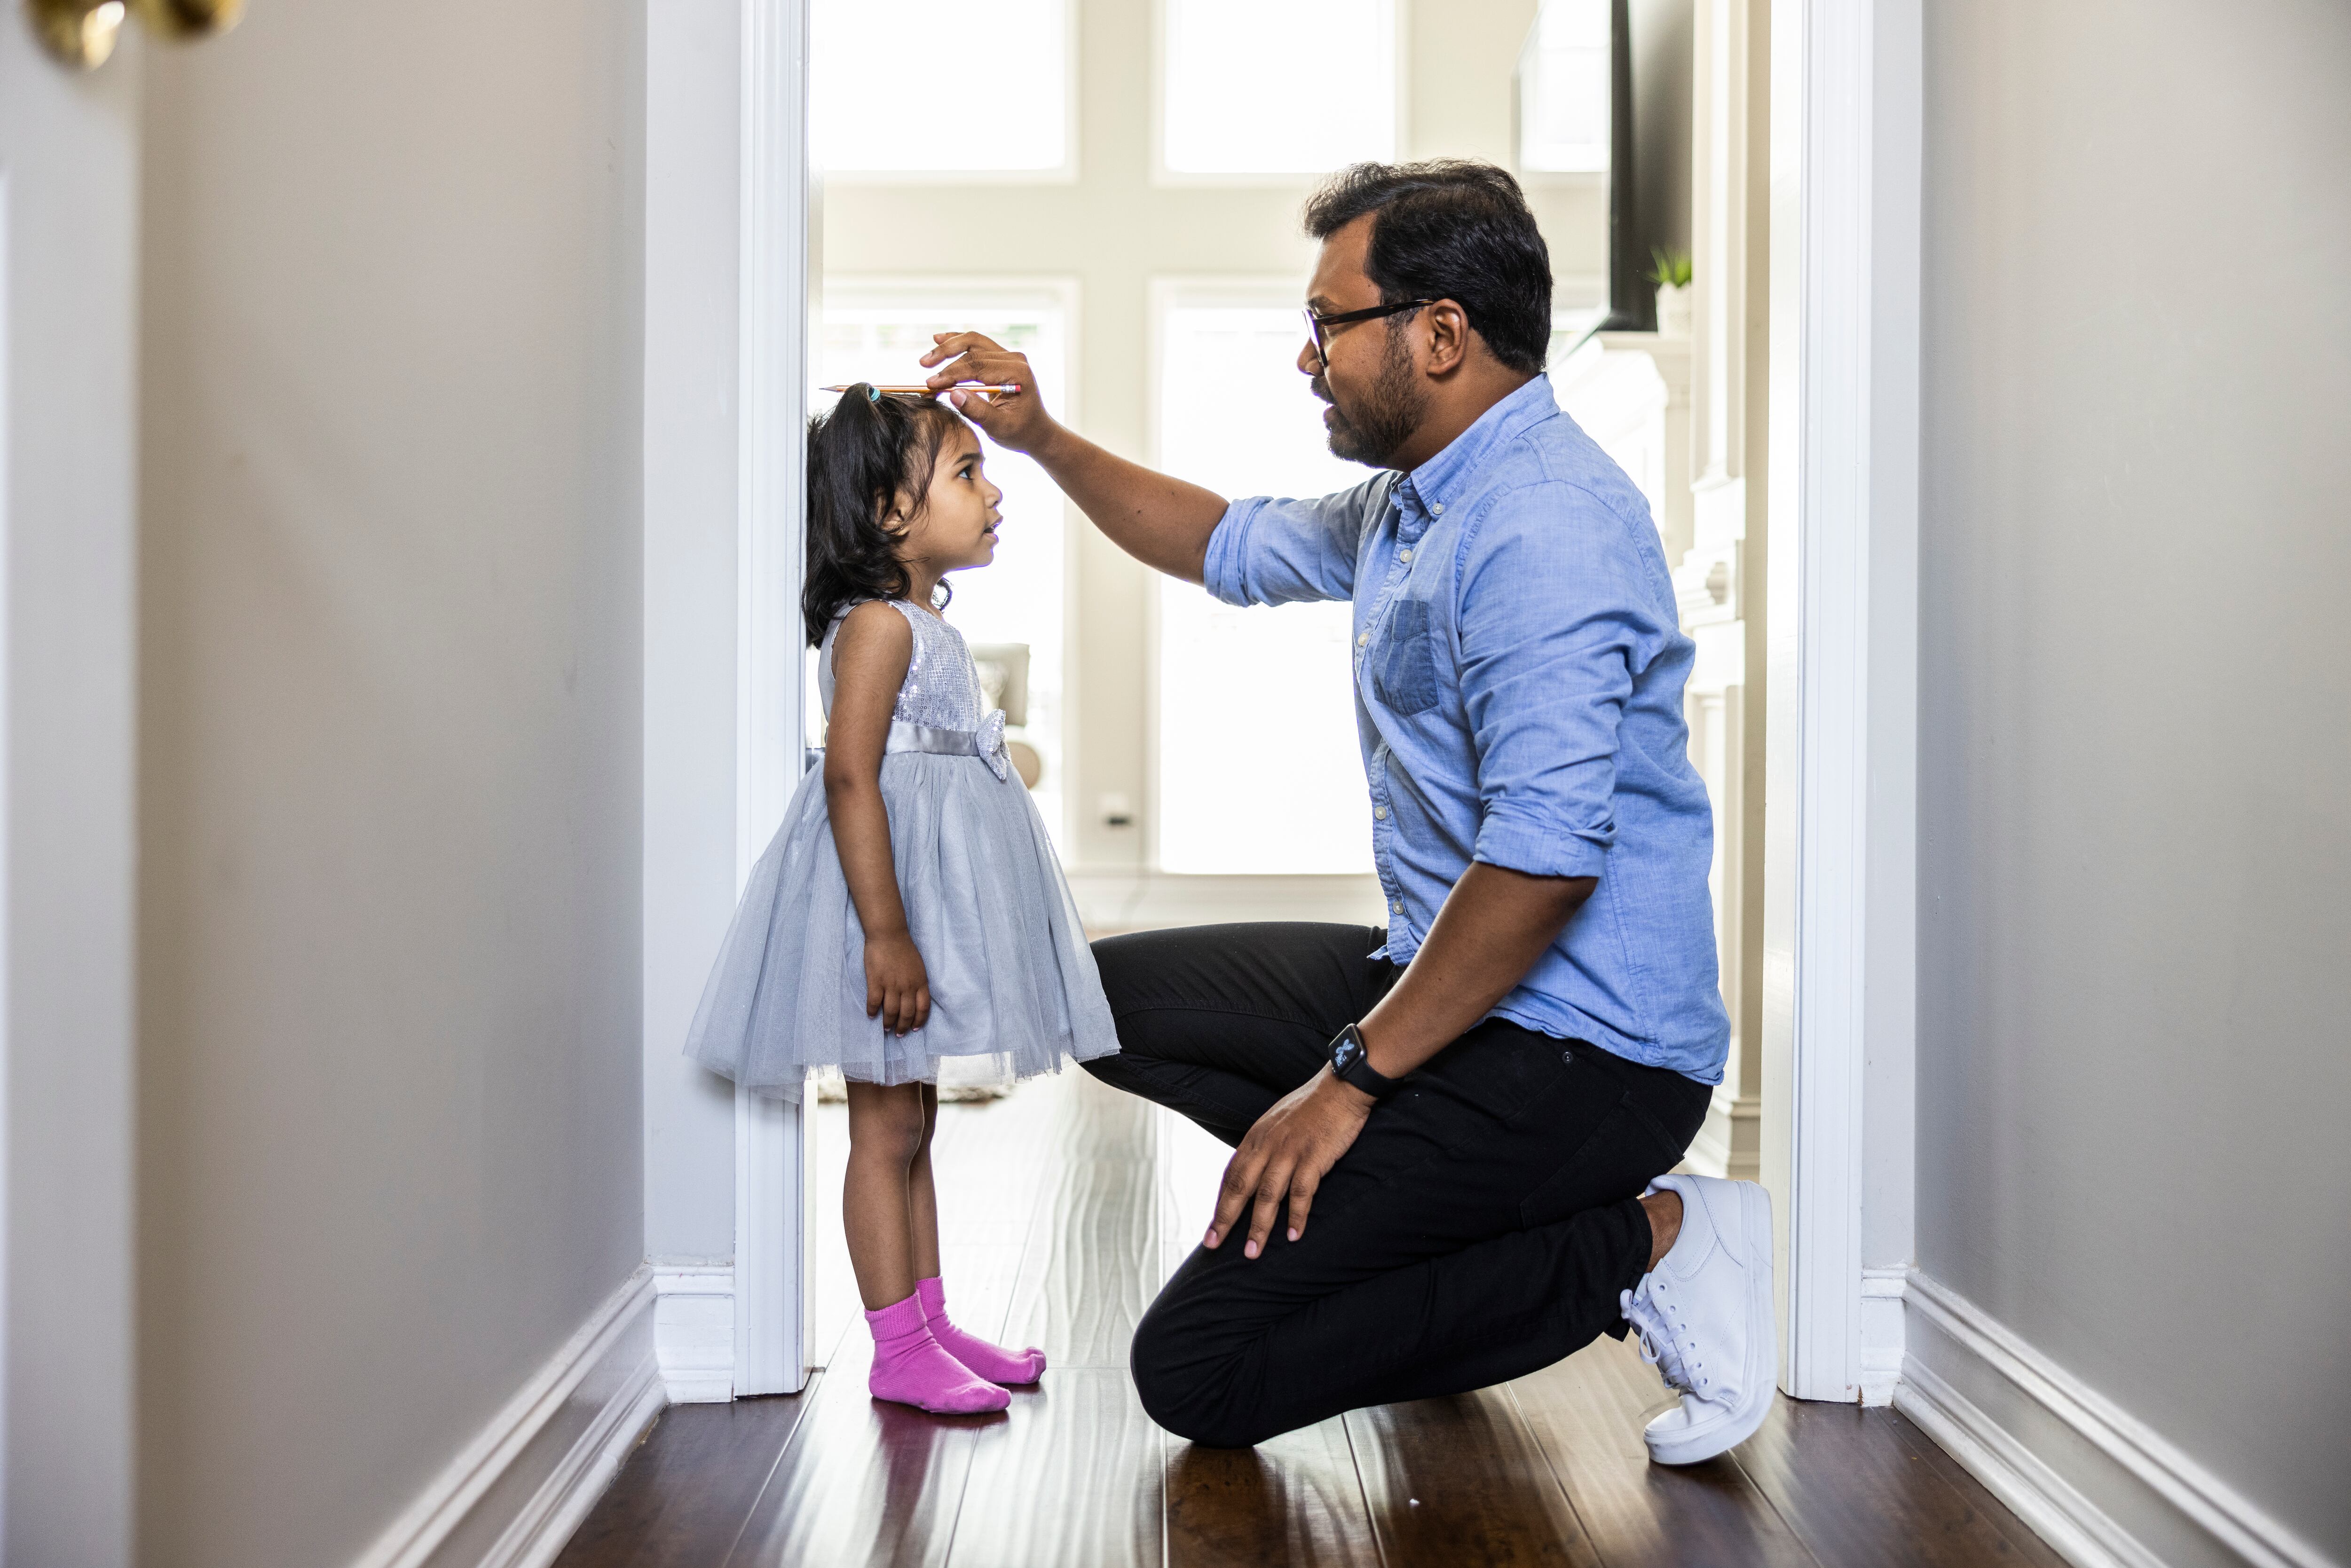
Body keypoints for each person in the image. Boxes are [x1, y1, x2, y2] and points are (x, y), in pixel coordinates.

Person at [917, 160, 1775, 1464]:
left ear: (1439, 334)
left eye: (1330, 321)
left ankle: (1647, 1240)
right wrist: (1036, 436)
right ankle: (1430, 1234)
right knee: (1087, 1000)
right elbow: (1219, 539)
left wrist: (1348, 1081)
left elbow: (1544, 867)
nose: (1307, 356)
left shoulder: (1543, 525)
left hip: (1589, 1056)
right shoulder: (1415, 501)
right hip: (1456, 994)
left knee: (1199, 1370)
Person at [683, 384, 1119, 1415]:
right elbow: (849, 776)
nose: (992, 491)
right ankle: (895, 1348)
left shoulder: (921, 620)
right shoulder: (877, 627)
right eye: (967, 473)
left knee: (912, 1120)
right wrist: (886, 933)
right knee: (883, 1132)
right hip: (882, 910)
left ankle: (929, 1321)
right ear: (889, 511)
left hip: (917, 899)